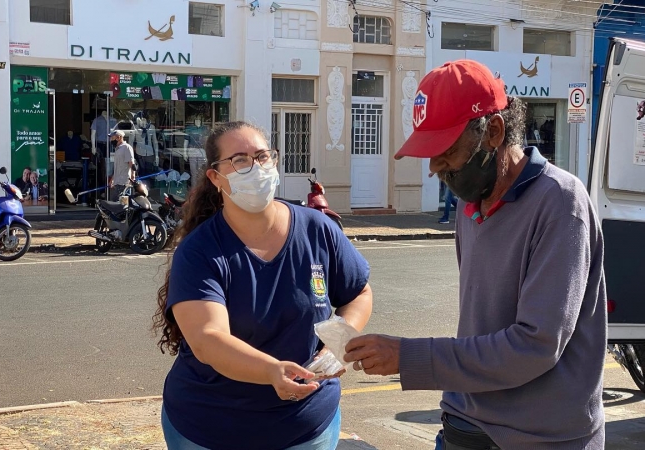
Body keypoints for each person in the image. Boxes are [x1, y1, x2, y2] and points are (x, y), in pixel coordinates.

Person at [343, 60, 607, 449]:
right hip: (463, 423)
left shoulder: (560, 203)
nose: (435, 168)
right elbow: (481, 327)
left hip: (539, 438)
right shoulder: (472, 206)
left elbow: (536, 345)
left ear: (494, 132)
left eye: (446, 152)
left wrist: (409, 356)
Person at [151, 121, 373, 450]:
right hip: (211, 431)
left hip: (309, 430)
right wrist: (271, 371)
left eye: (262, 156)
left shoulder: (318, 229)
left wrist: (338, 344)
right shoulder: (200, 251)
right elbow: (208, 340)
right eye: (239, 160)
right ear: (215, 177)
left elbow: (358, 293)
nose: (255, 168)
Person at [108, 130, 135, 202]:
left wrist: (133, 176)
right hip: (117, 182)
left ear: (118, 137)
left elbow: (131, 163)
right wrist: (112, 179)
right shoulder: (117, 149)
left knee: (123, 204)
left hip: (124, 182)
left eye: (112, 138)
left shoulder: (126, 147)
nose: (111, 140)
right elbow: (117, 167)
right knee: (115, 203)